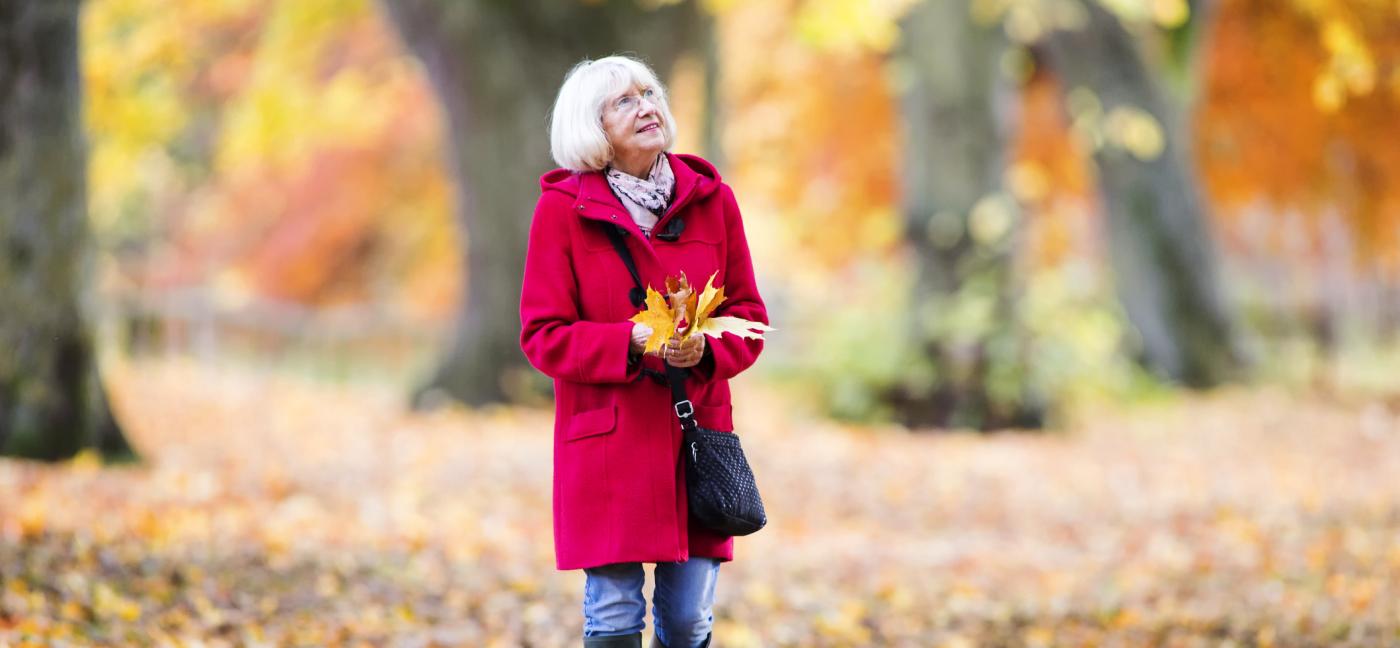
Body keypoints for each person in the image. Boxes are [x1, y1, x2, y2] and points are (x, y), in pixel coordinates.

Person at [519, 55, 768, 648]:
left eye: (650, 92)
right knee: (613, 616)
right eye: (623, 101)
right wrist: (626, 340)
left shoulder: (714, 201)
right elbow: (541, 334)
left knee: (687, 622)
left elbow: (752, 319)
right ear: (591, 125)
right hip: (608, 443)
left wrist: (705, 349)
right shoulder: (562, 210)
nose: (647, 106)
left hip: (695, 439)